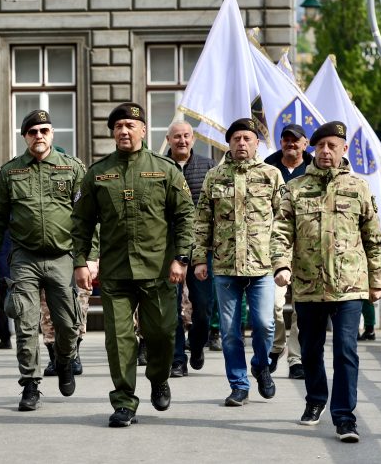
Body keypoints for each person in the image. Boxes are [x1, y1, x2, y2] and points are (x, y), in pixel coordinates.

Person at [72, 102, 194, 427]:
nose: (124, 131)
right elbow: (81, 222)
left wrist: (181, 258)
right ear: (112, 132)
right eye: (118, 126)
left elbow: (185, 216)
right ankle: (124, 402)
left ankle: (159, 378)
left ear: (143, 130)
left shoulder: (165, 170)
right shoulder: (98, 173)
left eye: (130, 125)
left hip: (158, 270)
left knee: (163, 334)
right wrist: (81, 261)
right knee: (119, 339)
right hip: (115, 273)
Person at [271, 120, 381, 443]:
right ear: (313, 149)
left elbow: (373, 238)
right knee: (310, 349)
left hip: (350, 285)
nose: (325, 152)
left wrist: (377, 281)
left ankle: (344, 417)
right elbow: (280, 232)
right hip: (308, 284)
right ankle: (315, 400)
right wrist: (281, 264)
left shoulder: (358, 187)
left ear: (343, 149)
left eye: (331, 146)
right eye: (320, 146)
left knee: (346, 349)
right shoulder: (296, 189)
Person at [0, 109, 84, 411]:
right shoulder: (11, 171)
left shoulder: (72, 168)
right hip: (24, 258)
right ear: (24, 136)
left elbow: (88, 219)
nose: (39, 136)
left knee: (68, 324)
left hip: (62, 256)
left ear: (52, 133)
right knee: (26, 324)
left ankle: (64, 362)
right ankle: (30, 384)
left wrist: (87, 258)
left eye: (44, 130)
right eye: (33, 132)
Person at [193, 117, 283, 407]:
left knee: (265, 324)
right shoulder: (215, 176)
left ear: (257, 143)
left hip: (262, 265)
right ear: (228, 143)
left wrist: (283, 262)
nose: (241, 143)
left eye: (247, 139)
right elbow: (202, 220)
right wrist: (199, 259)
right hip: (224, 265)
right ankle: (239, 385)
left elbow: (283, 222)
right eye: (236, 139)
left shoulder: (271, 175)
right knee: (230, 332)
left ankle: (261, 364)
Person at [165, 121, 217, 378]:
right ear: (168, 139)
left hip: (201, 252)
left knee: (204, 307)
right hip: (169, 250)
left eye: (186, 136)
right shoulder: (159, 167)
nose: (182, 141)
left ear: (193, 139)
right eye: (177, 137)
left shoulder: (209, 167)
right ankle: (177, 359)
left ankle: (196, 346)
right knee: (171, 308)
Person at [264, 123, 311, 380]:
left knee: (302, 308)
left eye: (295, 140)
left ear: (305, 144)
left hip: (306, 247)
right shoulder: (267, 168)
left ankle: (296, 359)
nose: (290, 144)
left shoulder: (315, 169)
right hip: (275, 246)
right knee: (274, 304)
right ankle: (277, 345)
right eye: (286, 139)